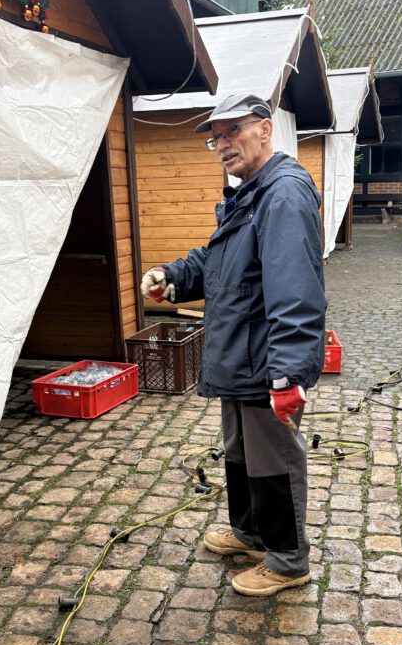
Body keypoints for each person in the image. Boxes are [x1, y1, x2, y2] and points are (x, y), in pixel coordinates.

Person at [140, 94, 326, 597]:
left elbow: (296, 291)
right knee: (241, 457)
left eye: (232, 131)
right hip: (238, 357)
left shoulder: (282, 195)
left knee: (274, 462)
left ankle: (287, 561)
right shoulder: (249, 194)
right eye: (215, 137)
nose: (223, 144)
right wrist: (173, 277)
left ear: (265, 129)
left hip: (265, 361)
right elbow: (218, 260)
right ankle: (252, 536)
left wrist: (286, 374)